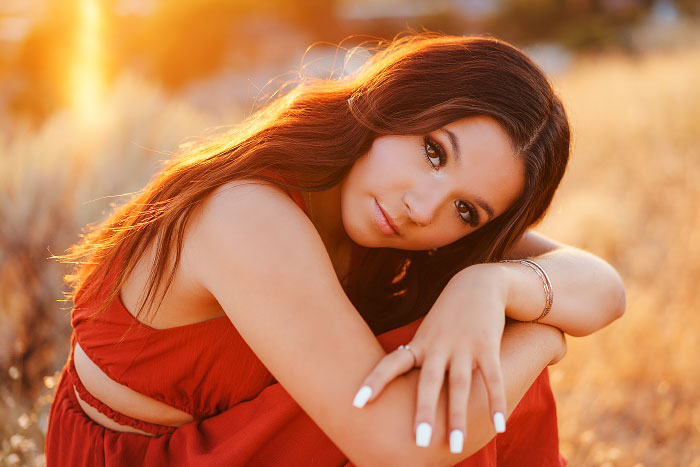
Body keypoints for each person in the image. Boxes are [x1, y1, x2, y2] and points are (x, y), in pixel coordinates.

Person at [45, 33, 625, 466]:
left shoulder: (382, 211)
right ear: (398, 99)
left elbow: (604, 288)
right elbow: (404, 446)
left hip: (238, 436)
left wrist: (491, 285)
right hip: (144, 456)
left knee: (470, 349)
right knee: (470, 369)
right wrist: (543, 336)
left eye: (466, 210)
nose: (423, 208)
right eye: (433, 152)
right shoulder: (248, 212)